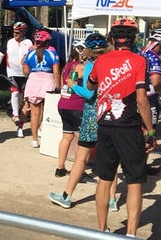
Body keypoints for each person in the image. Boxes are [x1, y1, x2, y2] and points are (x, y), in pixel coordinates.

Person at [87, 18, 156, 237]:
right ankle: (131, 234)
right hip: (128, 126)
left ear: (112, 39)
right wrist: (151, 130)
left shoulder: (101, 60)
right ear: (134, 39)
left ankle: (102, 230)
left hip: (105, 124)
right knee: (135, 181)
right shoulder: (138, 61)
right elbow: (142, 100)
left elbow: (90, 84)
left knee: (105, 179)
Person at [49, 32, 120, 210]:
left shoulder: (90, 65)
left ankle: (67, 195)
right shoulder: (113, 64)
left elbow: (89, 93)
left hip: (91, 114)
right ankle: (112, 200)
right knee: (111, 159)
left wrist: (74, 86)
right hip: (111, 113)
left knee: (81, 158)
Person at [139, 28, 161, 175]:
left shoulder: (140, 53)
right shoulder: (154, 57)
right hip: (149, 99)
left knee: (138, 131)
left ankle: (138, 164)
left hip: (136, 97)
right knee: (149, 133)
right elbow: (156, 81)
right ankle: (140, 166)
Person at [53, 38, 86, 178]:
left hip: (63, 103)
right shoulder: (81, 67)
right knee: (80, 139)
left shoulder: (67, 65)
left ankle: (60, 167)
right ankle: (79, 170)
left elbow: (61, 83)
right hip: (76, 105)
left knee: (66, 137)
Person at [22, 29, 60, 148]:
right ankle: (45, 133)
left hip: (33, 81)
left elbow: (25, 71)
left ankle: (34, 139)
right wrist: (58, 86)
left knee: (34, 113)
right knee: (47, 111)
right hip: (48, 80)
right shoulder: (53, 54)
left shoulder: (29, 54)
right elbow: (56, 72)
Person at [0, 22, 33, 138]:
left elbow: (33, 56)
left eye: (18, 32)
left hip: (25, 73)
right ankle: (15, 115)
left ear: (23, 32)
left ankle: (21, 125)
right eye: (14, 32)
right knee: (15, 92)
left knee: (24, 97)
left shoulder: (28, 42)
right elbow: (1, 55)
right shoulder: (9, 42)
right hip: (12, 72)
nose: (15, 34)